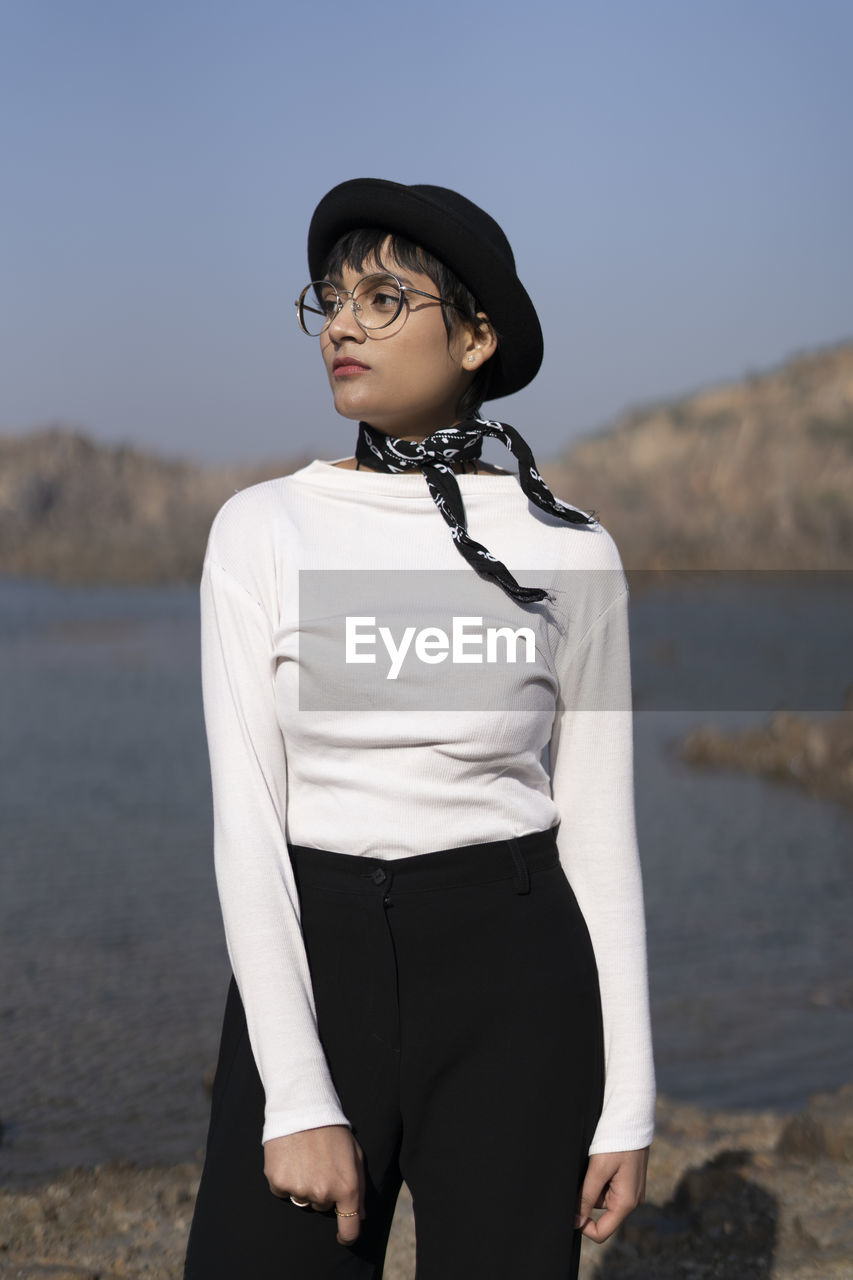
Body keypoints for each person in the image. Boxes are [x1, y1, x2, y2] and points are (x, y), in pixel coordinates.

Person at [183, 178, 656, 1280]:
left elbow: (594, 825)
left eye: (386, 296)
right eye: (332, 297)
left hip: (515, 984)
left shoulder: (571, 548)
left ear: (478, 334)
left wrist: (626, 1099)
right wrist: (296, 1089)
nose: (343, 322)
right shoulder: (261, 528)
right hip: (317, 958)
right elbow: (246, 822)